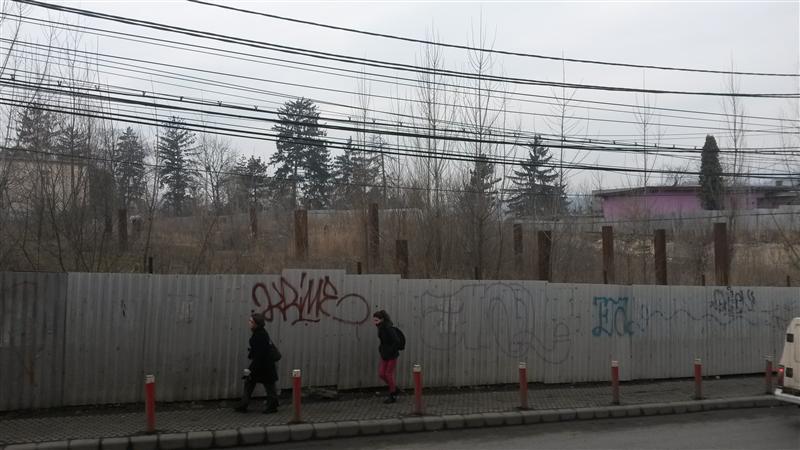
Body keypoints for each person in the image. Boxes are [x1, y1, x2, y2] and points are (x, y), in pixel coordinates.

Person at [234, 313, 279, 413]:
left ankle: (272, 406)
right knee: (254, 384)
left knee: (268, 385)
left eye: (251, 321)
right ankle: (244, 404)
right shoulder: (260, 332)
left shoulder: (260, 335)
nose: (249, 323)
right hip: (263, 365)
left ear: (256, 324)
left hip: (264, 365)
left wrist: (250, 368)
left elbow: (260, 353)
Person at [373, 310, 401, 404]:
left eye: (376, 320)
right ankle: (394, 388)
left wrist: (390, 350)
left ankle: (393, 395)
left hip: (392, 354)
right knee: (382, 374)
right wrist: (382, 349)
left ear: (382, 320)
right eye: (374, 320)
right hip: (385, 354)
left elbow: (396, 341)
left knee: (388, 374)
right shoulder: (380, 328)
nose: (374, 322)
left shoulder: (388, 328)